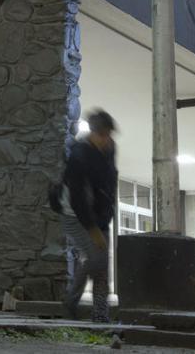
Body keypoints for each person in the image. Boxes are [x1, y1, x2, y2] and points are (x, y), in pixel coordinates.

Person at [56, 109, 118, 322]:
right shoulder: (79, 155)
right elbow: (78, 200)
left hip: (100, 215)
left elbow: (110, 182)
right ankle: (70, 303)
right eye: (102, 135)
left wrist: (106, 216)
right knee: (97, 258)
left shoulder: (109, 148)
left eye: (108, 135)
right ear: (92, 133)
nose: (106, 140)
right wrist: (92, 229)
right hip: (74, 215)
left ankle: (100, 315)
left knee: (101, 265)